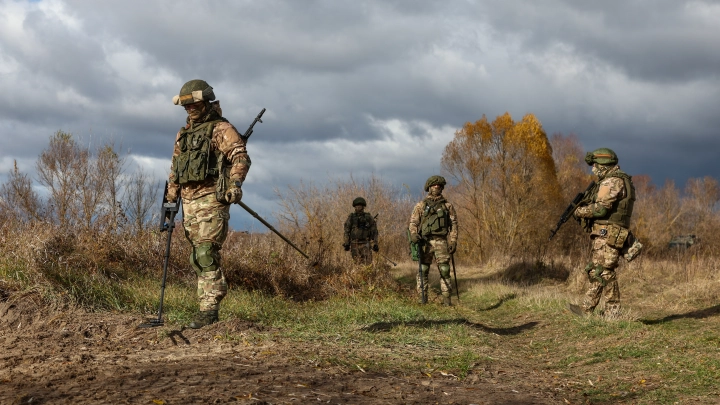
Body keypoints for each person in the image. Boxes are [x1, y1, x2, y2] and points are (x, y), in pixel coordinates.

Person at [165, 79, 251, 329]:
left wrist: (235, 184)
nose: (190, 109)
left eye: (194, 104)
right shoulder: (183, 134)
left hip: (212, 199)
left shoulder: (221, 129)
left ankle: (209, 310)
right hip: (188, 204)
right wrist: (171, 201)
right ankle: (205, 306)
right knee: (196, 256)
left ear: (206, 102)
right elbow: (175, 170)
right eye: (186, 106)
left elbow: (240, 157)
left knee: (206, 253)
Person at [569, 148, 643, 318]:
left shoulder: (612, 181)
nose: (593, 169)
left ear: (603, 165)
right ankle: (589, 309)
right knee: (600, 270)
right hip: (607, 233)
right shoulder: (619, 180)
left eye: (595, 165)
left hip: (608, 234)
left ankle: (609, 312)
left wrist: (579, 211)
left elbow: (601, 210)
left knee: (603, 271)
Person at [408, 175, 458, 306]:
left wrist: (453, 241)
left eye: (439, 185)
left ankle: (447, 300)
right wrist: (413, 235)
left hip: (441, 241)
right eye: (434, 185)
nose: (437, 187)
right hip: (425, 242)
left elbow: (453, 225)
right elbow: (413, 223)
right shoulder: (421, 205)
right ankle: (422, 299)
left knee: (445, 270)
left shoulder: (448, 206)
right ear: (429, 187)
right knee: (423, 269)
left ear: (442, 188)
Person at [343, 197, 378, 265]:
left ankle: (367, 275)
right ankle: (359, 276)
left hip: (365, 243)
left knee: (367, 264)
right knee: (357, 263)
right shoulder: (351, 217)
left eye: (360, 206)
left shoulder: (368, 217)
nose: (358, 207)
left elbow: (375, 231)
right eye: (357, 206)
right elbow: (346, 231)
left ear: (363, 207)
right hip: (354, 243)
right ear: (354, 207)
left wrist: (375, 244)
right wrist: (346, 243)